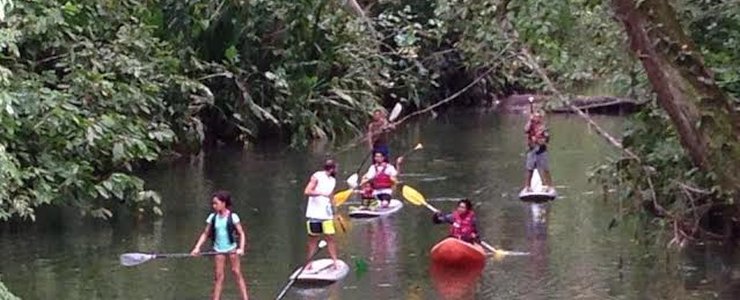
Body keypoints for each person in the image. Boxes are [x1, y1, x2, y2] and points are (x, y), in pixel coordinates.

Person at [190, 191, 249, 300]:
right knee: (219, 276)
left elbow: (241, 233)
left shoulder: (233, 217)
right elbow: (205, 233)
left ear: (223, 203)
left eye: (216, 203)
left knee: (236, 272)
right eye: (213, 203)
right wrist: (197, 247)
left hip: (232, 249)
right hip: (218, 250)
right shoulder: (212, 217)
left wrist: (241, 248)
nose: (214, 206)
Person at [303, 159, 339, 269]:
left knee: (330, 238)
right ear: (332, 169)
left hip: (326, 215)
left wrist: (335, 211)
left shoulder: (332, 180)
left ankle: (335, 261)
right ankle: (309, 263)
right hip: (314, 214)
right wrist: (321, 193)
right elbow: (307, 191)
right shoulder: (317, 176)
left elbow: (331, 195)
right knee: (313, 240)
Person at [523, 110, 554, 192]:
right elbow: (525, 130)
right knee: (530, 169)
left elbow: (546, 139)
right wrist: (530, 120)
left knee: (545, 168)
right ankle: (527, 186)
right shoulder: (530, 126)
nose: (537, 118)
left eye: (539, 117)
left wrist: (538, 140)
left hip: (541, 150)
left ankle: (549, 186)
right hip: (531, 150)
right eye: (536, 117)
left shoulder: (544, 127)